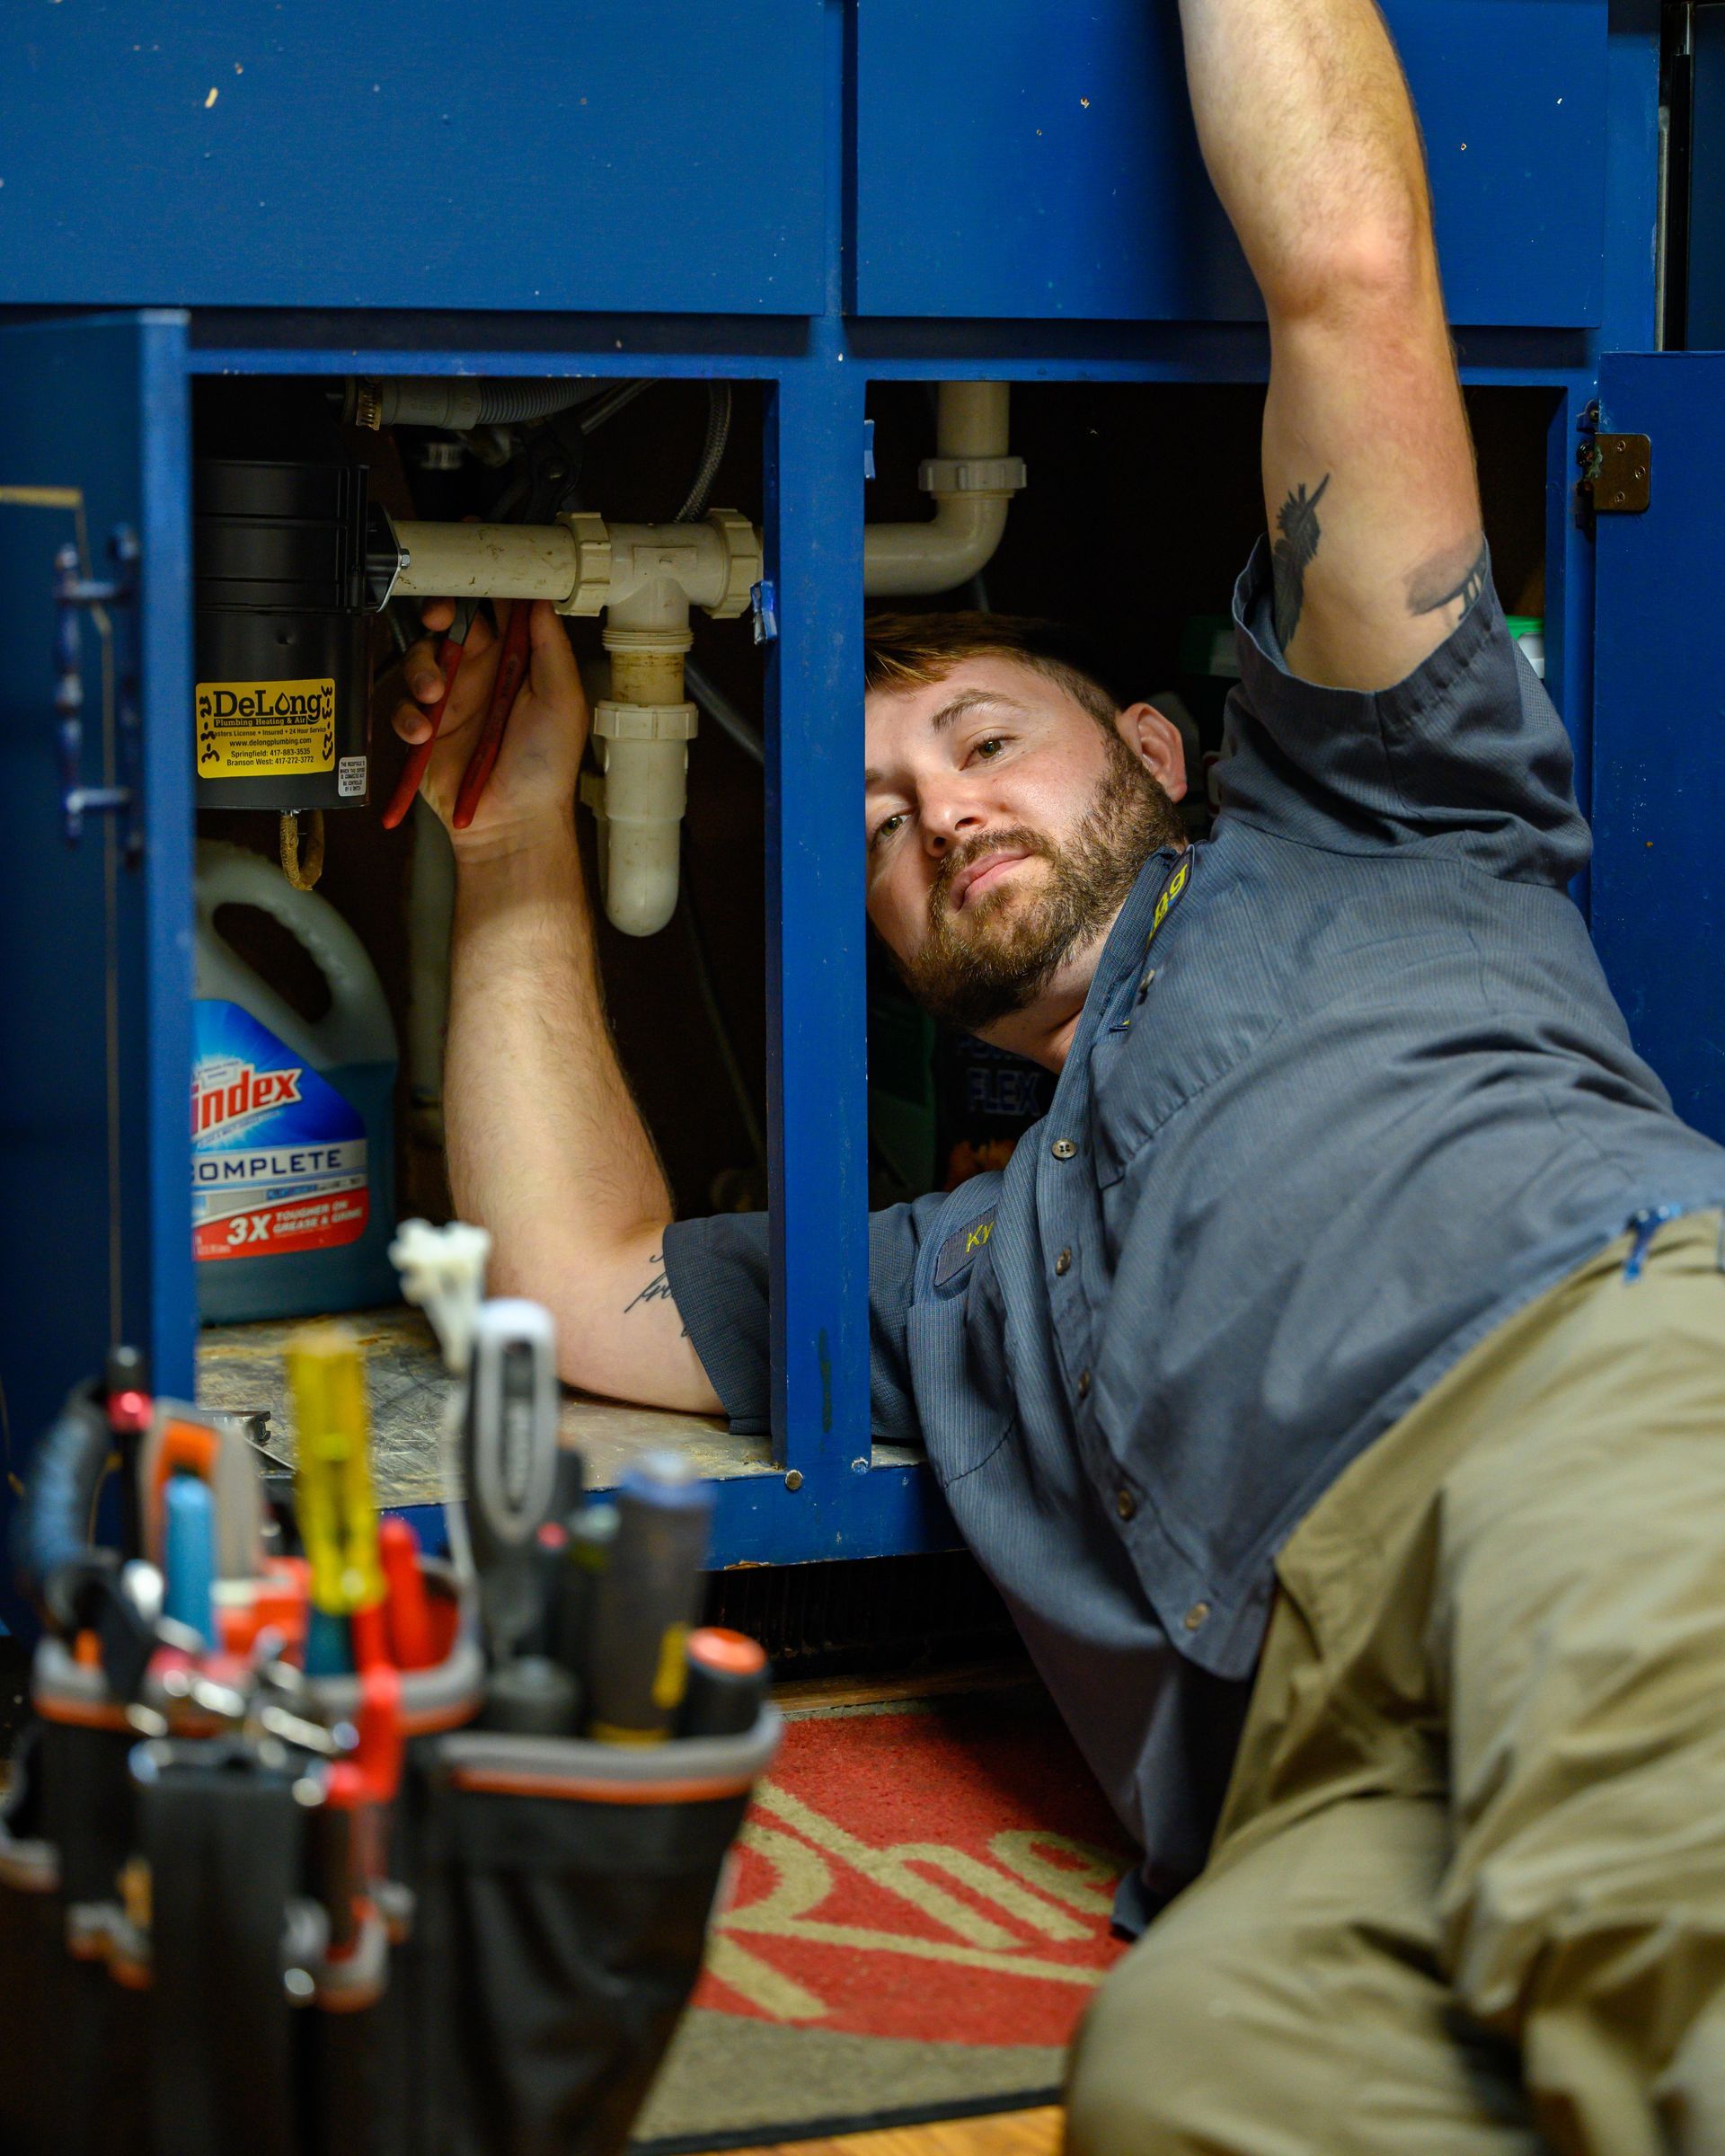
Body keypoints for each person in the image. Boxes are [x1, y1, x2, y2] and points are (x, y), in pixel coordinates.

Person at [389, 2, 1725, 2145]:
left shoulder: (1394, 817)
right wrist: (517, 830)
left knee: (1669, 1932)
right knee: (1189, 2076)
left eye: (984, 740)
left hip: (1576, 1409)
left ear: (1162, 755)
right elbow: (567, 1277)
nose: (937, 813)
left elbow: (1351, 276)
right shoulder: (956, 1277)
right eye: (877, 820)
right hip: (1304, 1754)